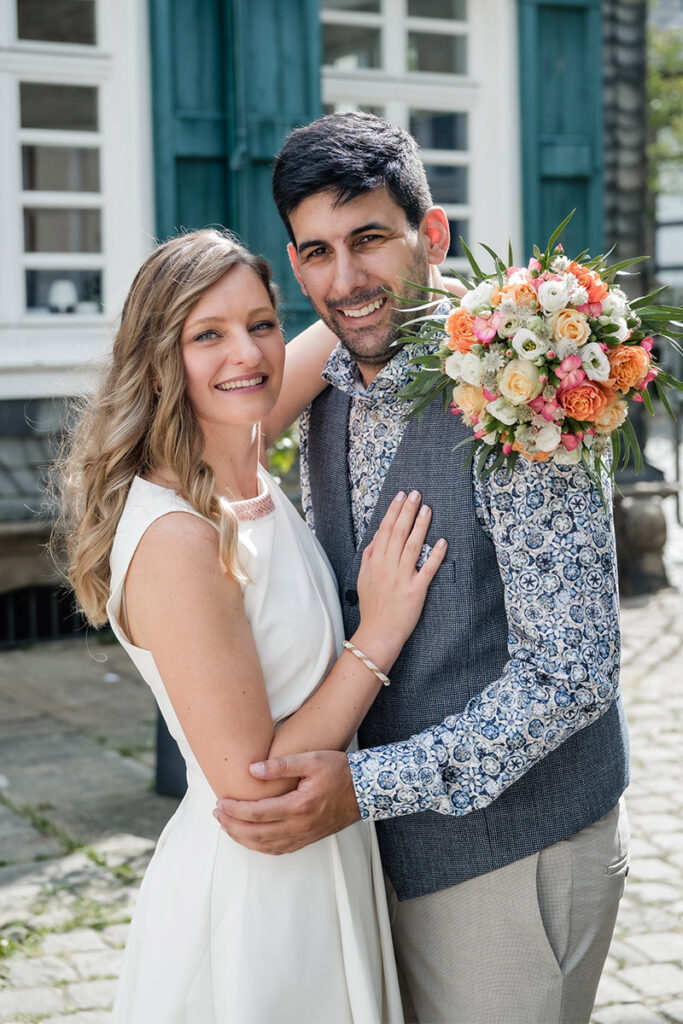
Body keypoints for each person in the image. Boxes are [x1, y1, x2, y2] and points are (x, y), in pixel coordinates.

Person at [213, 113, 631, 1024]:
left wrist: (359, 787)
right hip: (372, 860)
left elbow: (572, 672)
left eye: (369, 240)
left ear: (431, 235)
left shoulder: (528, 388)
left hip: (514, 854)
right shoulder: (319, 394)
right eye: (316, 252)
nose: (346, 278)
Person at [54, 227, 451, 1022]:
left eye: (260, 323)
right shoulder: (176, 535)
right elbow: (254, 785)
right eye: (208, 334)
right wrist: (378, 633)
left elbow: (346, 317)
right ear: (161, 359)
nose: (247, 353)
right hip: (259, 899)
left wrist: (455, 282)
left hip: (330, 858)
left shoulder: (241, 453)